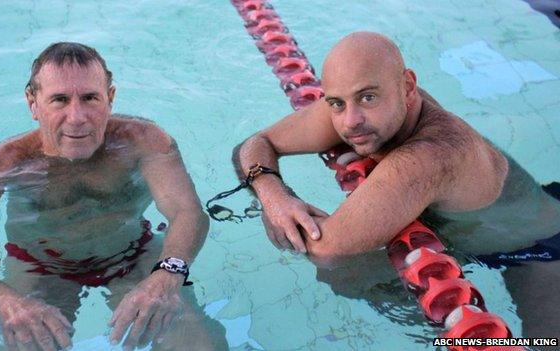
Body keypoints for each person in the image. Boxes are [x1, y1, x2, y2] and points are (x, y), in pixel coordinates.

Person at [232, 31, 560, 338]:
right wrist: (274, 195)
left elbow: (325, 249)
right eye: (336, 103)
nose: (350, 121)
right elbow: (255, 144)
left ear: (408, 87)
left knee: (345, 275)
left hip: (538, 250)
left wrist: (277, 213)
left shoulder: (429, 157)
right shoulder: (368, 108)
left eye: (368, 97)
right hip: (494, 211)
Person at [0, 42, 227, 351]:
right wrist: (1, 298)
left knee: (194, 343)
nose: (77, 117)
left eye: (90, 98)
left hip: (130, 255)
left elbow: (187, 213)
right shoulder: (0, 164)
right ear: (32, 103)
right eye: (60, 100)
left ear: (110, 98)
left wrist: (167, 275)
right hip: (41, 266)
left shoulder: (143, 142)